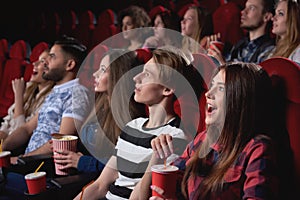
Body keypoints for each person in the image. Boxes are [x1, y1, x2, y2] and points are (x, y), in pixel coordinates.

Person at [74, 46, 205, 200]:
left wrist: (156, 157)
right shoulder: (133, 126)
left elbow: (140, 197)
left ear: (167, 89)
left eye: (147, 74)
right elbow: (100, 185)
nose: (136, 78)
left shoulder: (174, 137)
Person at [138, 62, 279, 199]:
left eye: (221, 88)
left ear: (240, 99)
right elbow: (173, 184)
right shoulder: (204, 138)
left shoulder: (258, 148)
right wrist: (159, 156)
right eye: (211, 86)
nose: (208, 94)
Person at [53, 49, 147, 173]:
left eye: (102, 70)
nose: (95, 74)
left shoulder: (130, 117)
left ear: (117, 75)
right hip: (79, 174)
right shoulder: (100, 105)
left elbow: (124, 165)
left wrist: (82, 162)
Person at [2, 35, 91, 158]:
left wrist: (20, 160)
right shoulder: (56, 92)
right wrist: (3, 148)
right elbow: (26, 129)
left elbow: (62, 143)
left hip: (42, 166)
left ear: (69, 65)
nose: (46, 62)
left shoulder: (77, 94)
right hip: (28, 161)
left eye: (52, 57)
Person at [0, 50, 55, 140]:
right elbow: (8, 124)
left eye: (42, 61)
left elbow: (21, 131)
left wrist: (18, 96)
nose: (34, 63)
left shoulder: (51, 98)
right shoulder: (30, 88)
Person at [208, 0, 276, 65]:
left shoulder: (270, 49)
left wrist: (222, 65)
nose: (243, 11)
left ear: (266, 17)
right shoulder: (239, 45)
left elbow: (256, 76)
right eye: (245, 7)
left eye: (251, 8)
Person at [268, 0, 300, 64]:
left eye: (280, 14)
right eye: (275, 13)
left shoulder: (298, 52)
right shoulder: (273, 50)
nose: (273, 18)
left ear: (293, 18)